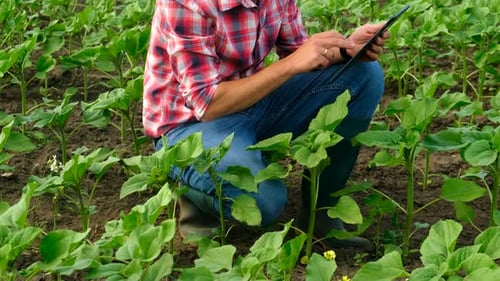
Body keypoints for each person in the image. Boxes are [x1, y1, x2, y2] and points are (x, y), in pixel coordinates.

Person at [143, 0, 389, 250]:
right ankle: (193, 186)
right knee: (263, 202)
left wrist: (346, 49)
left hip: (253, 103)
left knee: (363, 75)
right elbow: (207, 103)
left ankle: (322, 215)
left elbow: (298, 55)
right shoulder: (187, 4)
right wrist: (291, 64)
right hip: (190, 125)